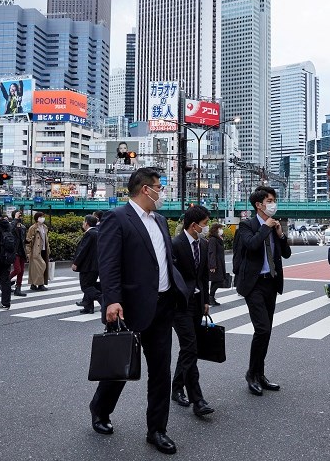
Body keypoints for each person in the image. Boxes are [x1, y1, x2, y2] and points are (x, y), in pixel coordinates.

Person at [90, 168, 188, 455]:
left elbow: (165, 260)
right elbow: (108, 263)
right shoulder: (117, 218)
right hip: (129, 308)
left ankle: (157, 430)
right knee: (120, 367)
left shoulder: (159, 219)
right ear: (146, 189)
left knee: (160, 371)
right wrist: (112, 300)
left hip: (163, 306)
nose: (163, 191)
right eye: (160, 186)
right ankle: (100, 408)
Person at [234, 185, 292, 396]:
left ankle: (260, 373)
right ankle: (251, 374)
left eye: (273, 200)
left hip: (271, 283)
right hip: (254, 285)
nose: (272, 204)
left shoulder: (274, 225)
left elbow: (286, 254)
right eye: (269, 200)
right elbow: (251, 245)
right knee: (262, 329)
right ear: (258, 205)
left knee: (266, 331)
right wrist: (266, 227)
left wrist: (280, 234)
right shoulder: (246, 225)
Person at [170, 205, 214, 417]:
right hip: (180, 304)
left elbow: (203, 275)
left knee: (188, 349)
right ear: (194, 225)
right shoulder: (175, 244)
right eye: (205, 224)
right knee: (190, 348)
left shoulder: (203, 244)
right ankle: (198, 400)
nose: (207, 228)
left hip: (197, 302)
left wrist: (205, 300)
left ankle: (177, 388)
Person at [73, 215, 101, 314]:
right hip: (96, 265)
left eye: (83, 222)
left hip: (88, 265)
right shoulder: (98, 232)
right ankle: (88, 307)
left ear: (87, 223)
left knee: (86, 286)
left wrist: (76, 262)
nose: (83, 224)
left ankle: (102, 299)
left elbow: (83, 250)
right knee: (91, 284)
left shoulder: (89, 234)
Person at [26, 212, 51, 291]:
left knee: (38, 268)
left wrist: (48, 249)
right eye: (41, 217)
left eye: (43, 216)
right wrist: (28, 252)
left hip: (44, 249)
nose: (42, 218)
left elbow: (46, 240)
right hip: (35, 251)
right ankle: (40, 284)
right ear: (37, 218)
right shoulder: (33, 228)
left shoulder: (45, 227)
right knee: (40, 266)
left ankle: (34, 284)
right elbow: (28, 241)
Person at [207, 222, 227, 306]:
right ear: (216, 230)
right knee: (218, 280)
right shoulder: (213, 239)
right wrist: (212, 265)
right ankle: (210, 297)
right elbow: (212, 252)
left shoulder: (218, 238)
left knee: (216, 281)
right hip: (216, 263)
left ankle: (211, 297)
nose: (221, 230)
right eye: (220, 228)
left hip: (219, 262)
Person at [9, 210, 28, 297]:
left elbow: (23, 239)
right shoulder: (11, 225)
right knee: (17, 269)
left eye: (20, 215)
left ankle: (18, 288)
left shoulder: (23, 227)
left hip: (22, 250)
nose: (20, 217)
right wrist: (15, 219)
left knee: (22, 271)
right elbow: (10, 230)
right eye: (18, 215)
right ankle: (5, 281)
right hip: (14, 250)